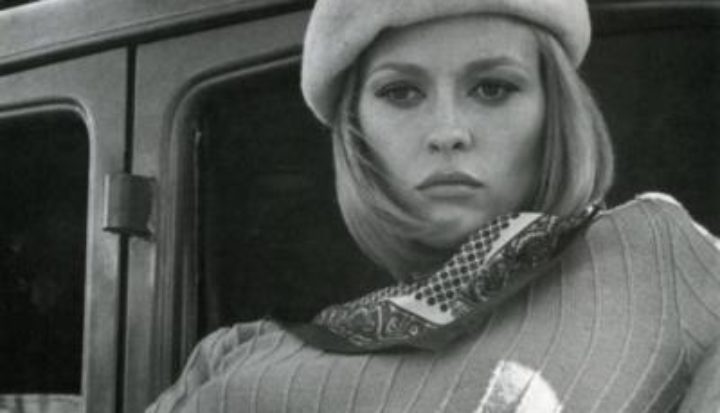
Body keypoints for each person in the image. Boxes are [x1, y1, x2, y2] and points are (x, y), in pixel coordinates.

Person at [146, 0, 720, 411]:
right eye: (401, 92)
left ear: (554, 112)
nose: (448, 131)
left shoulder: (655, 258)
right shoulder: (237, 359)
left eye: (493, 87)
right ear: (356, 132)